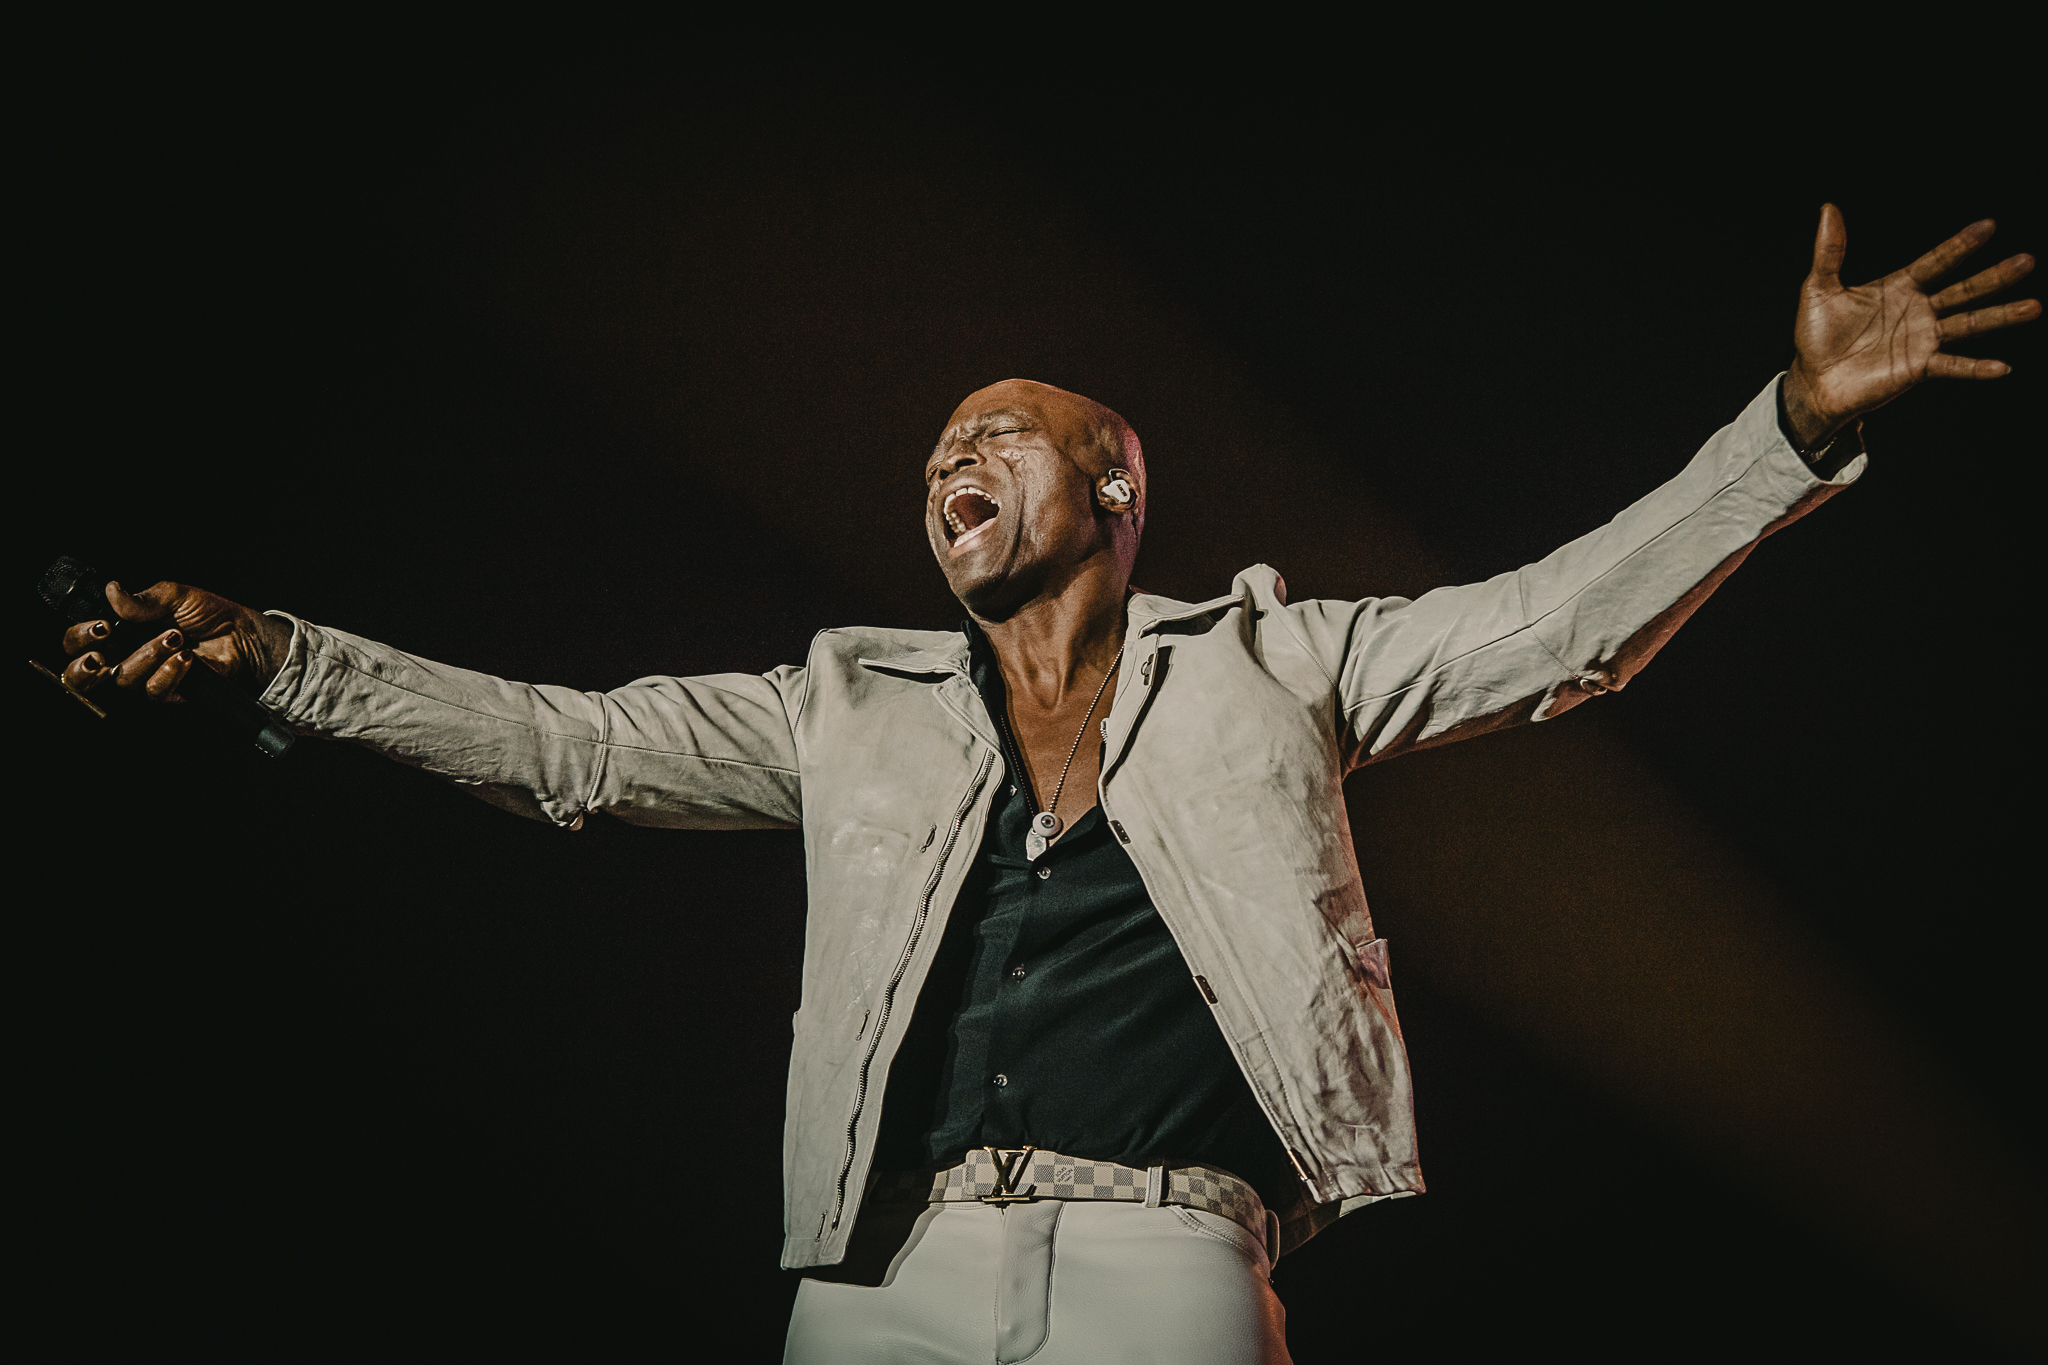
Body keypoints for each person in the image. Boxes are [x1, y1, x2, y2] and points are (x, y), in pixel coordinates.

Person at [55, 208, 2036, 1363]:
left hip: (1169, 1261)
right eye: (933, 450)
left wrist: (1788, 429)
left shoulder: (1274, 661)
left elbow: (1550, 628)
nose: (950, 461)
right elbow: (567, 747)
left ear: (1113, 482)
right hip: (883, 1275)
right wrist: (285, 655)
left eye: (993, 432)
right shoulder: (848, 700)